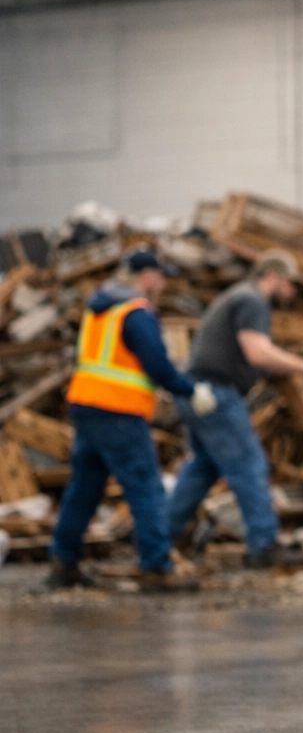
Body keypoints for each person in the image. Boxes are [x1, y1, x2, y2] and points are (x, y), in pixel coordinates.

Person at [164, 249, 303, 569]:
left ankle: (160, 538)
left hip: (195, 392)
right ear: (272, 276)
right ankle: (264, 546)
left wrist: (284, 366)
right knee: (249, 466)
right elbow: (258, 353)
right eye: (288, 283)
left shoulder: (235, 298)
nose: (291, 292)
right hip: (216, 394)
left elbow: (252, 359)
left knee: (201, 469)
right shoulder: (252, 301)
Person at [49, 249, 209, 592]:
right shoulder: (135, 312)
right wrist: (190, 389)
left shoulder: (99, 308)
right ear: (146, 275)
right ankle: (156, 565)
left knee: (84, 488)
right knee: (145, 486)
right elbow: (158, 365)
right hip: (119, 411)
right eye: (160, 275)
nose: (162, 283)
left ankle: (64, 561)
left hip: (86, 406)